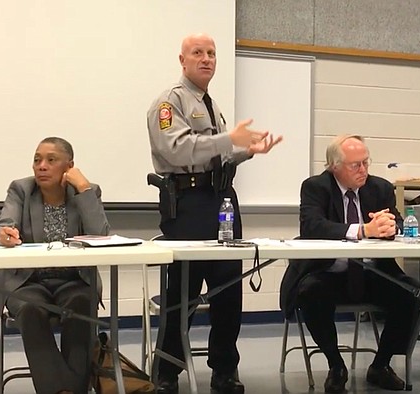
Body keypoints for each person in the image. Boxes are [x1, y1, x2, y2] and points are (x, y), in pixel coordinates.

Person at [146, 33, 282, 394]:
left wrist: (246, 151)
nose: (206, 59)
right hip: (189, 205)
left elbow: (214, 156)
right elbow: (176, 151)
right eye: (198, 53)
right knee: (184, 292)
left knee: (228, 291)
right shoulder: (169, 102)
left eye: (211, 53)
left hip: (221, 199)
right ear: (182, 60)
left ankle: (224, 369)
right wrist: (229, 141)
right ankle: (167, 371)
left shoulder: (211, 104)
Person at [279, 135, 419, 393]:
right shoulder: (315, 187)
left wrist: (390, 226)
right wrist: (363, 230)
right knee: (310, 292)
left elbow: (397, 221)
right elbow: (312, 226)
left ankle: (381, 364)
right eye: (356, 165)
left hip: (372, 273)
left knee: (412, 293)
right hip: (328, 272)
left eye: (366, 162)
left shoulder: (379, 188)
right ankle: (336, 365)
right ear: (334, 166)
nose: (363, 170)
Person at [0, 137, 109, 394]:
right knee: (31, 309)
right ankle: (63, 391)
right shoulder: (21, 189)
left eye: (51, 160)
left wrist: (83, 188)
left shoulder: (87, 191)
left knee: (82, 306)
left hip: (74, 280)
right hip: (27, 281)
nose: (41, 166)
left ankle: (66, 390)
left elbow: (102, 237)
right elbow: (2, 223)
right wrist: (3, 234)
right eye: (37, 159)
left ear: (69, 166)